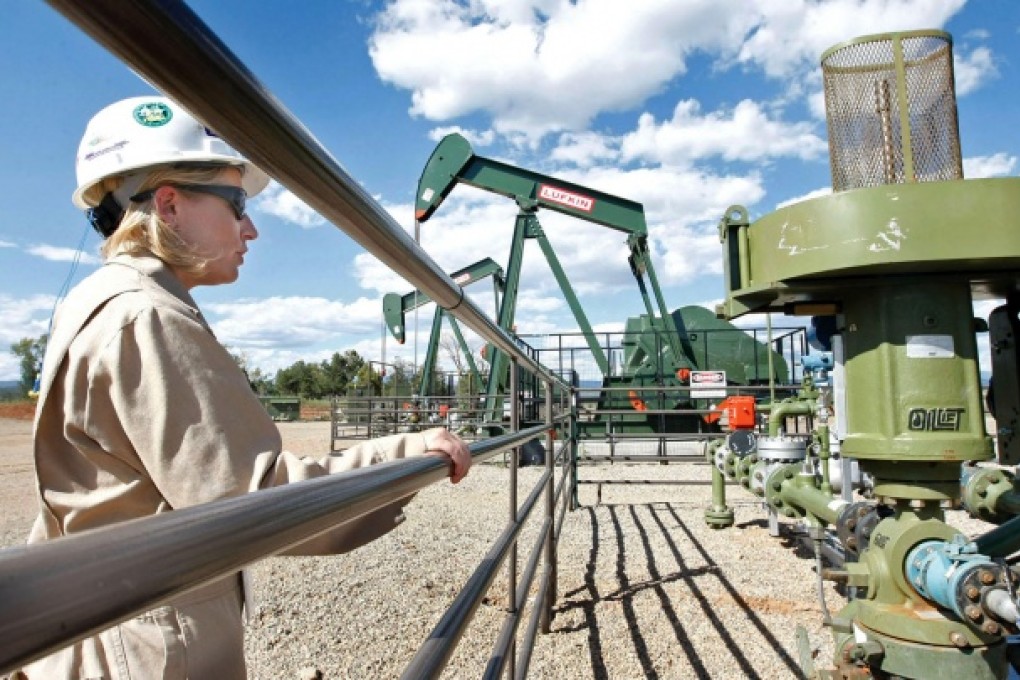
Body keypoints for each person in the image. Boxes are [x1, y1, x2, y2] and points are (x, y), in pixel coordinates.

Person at [18, 96, 471, 679]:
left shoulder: (98, 300)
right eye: (237, 204)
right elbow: (257, 501)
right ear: (169, 204)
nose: (250, 228)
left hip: (110, 620)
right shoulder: (146, 316)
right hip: (152, 648)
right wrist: (407, 455)